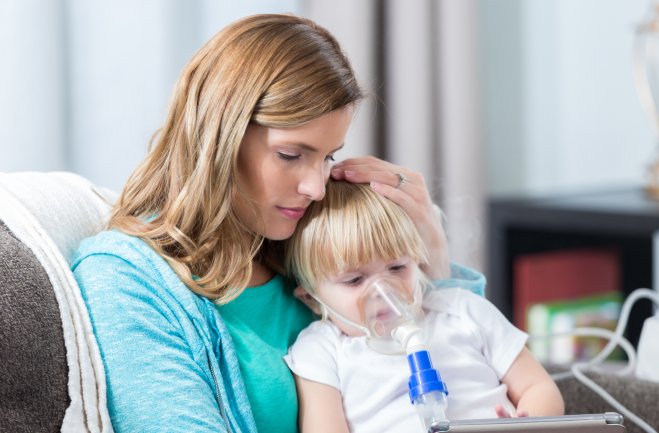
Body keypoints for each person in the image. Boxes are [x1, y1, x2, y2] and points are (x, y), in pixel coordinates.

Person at [71, 13, 485, 433]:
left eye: (328, 158)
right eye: (291, 155)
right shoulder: (127, 279)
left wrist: (431, 245)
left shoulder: (305, 247)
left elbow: (469, 380)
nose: (317, 188)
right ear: (220, 139)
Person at [283, 181, 565, 433]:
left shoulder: (461, 310)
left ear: (417, 262)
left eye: (397, 267)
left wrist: (527, 425)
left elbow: (538, 388)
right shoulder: (321, 351)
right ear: (312, 299)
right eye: (355, 279)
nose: (383, 291)